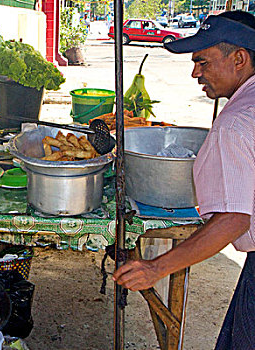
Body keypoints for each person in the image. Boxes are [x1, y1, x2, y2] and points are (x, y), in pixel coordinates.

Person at [113, 11, 255, 349]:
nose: (195, 73)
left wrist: (156, 268)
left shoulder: (235, 122)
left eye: (203, 62)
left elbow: (234, 219)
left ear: (239, 59)